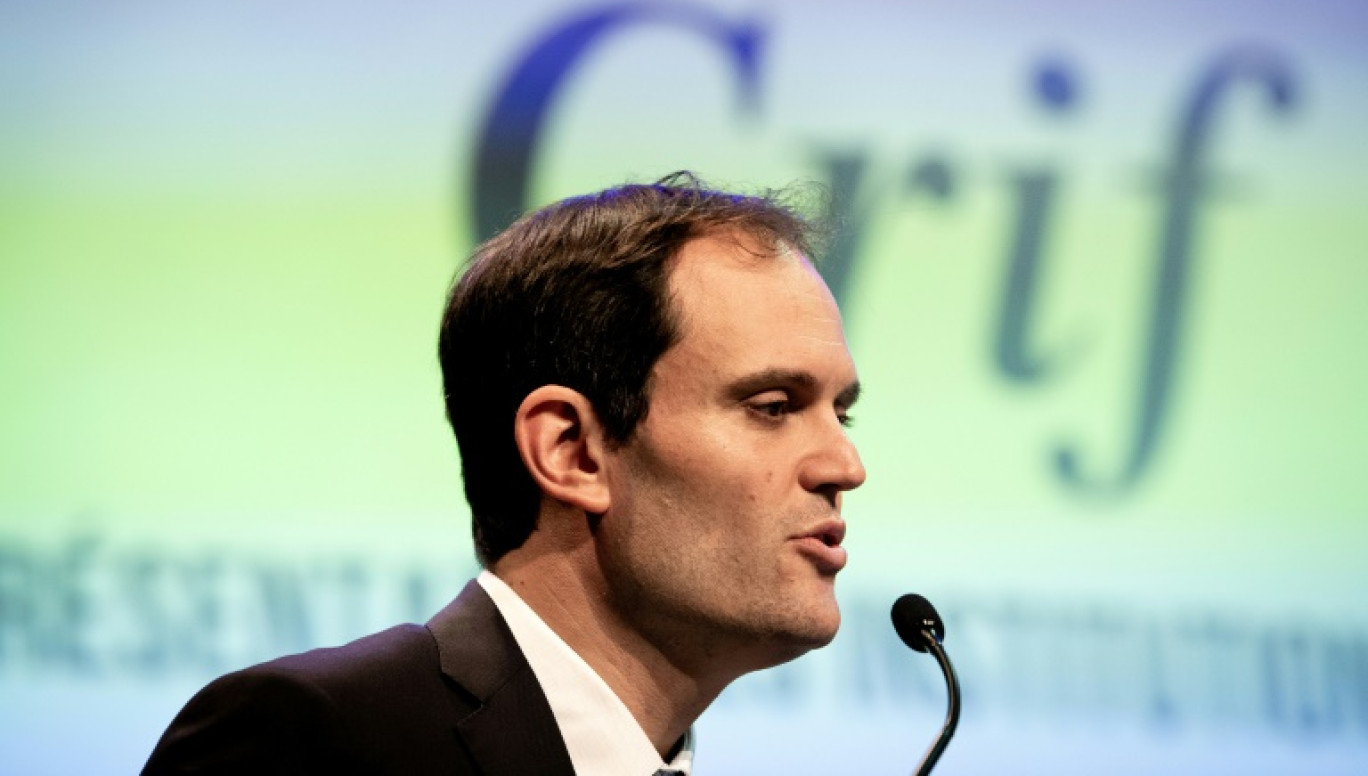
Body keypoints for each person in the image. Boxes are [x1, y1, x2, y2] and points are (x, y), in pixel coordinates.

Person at [142, 173, 866, 775]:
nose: (845, 466)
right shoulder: (313, 743)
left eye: (843, 413)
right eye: (773, 407)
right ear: (571, 451)